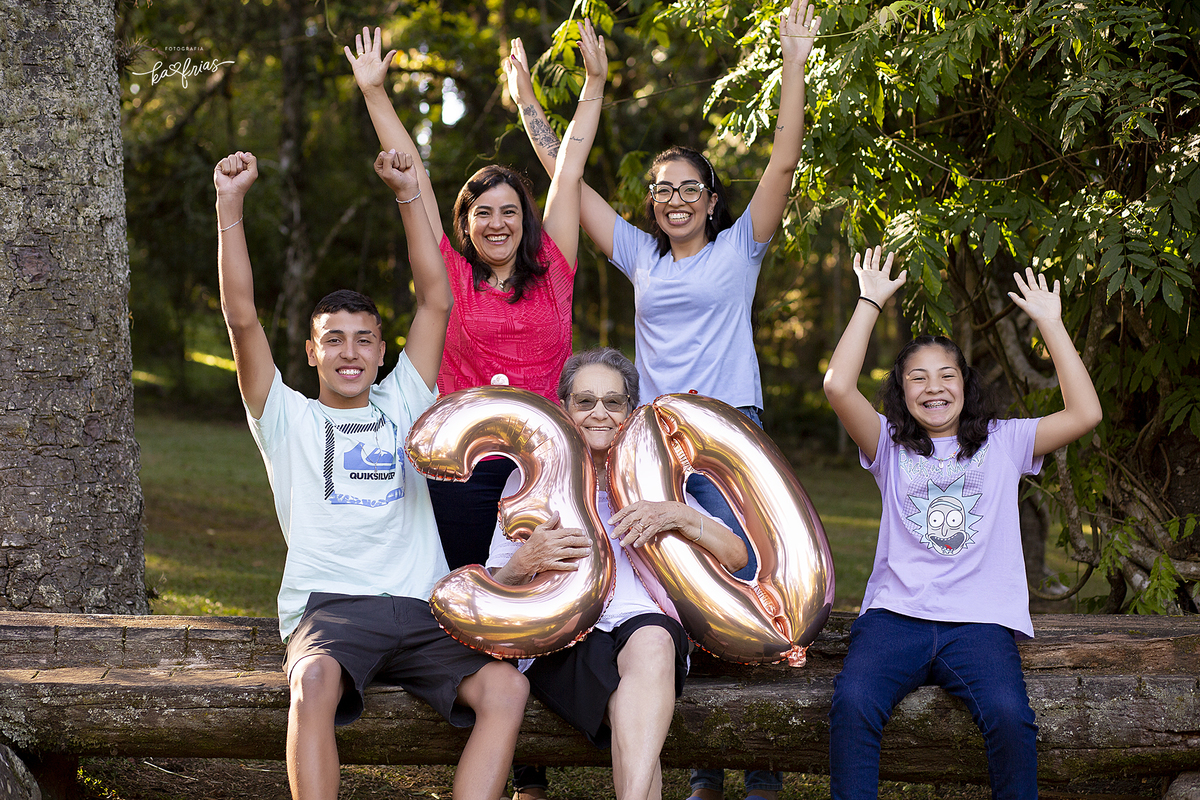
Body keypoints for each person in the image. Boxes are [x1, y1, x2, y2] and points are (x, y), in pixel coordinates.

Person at [508, 2, 820, 797]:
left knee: (749, 583)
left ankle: (762, 764)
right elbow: (565, 180)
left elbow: (783, 162)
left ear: (713, 200)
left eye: (688, 188)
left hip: (732, 438)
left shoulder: (739, 251)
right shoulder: (644, 257)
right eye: (660, 189)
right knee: (679, 591)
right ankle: (705, 765)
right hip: (655, 440)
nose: (673, 198)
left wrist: (793, 62)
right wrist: (531, 107)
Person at [214, 147, 529, 800]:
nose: (350, 352)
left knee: (507, 685)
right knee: (313, 683)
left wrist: (410, 193)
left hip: (422, 609)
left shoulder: (405, 399)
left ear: (382, 351)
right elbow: (241, 316)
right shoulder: (284, 416)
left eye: (364, 339)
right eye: (334, 339)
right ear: (311, 352)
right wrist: (230, 206)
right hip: (332, 609)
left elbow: (436, 297)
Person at [821, 248, 1104, 799]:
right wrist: (869, 301)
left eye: (945, 375)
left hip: (978, 624)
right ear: (901, 393)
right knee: (853, 704)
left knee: (1009, 717)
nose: (933, 387)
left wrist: (1050, 323)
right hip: (895, 618)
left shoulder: (1005, 441)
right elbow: (836, 386)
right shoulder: (889, 445)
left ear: (965, 383)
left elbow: (1085, 414)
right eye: (917, 379)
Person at [345, 22, 606, 570]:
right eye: (482, 212)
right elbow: (411, 171)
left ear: (525, 219)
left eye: (509, 210)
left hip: (545, 463)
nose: (496, 223)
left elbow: (571, 169)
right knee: (468, 581)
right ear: (465, 221)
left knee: (544, 583)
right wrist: (374, 92)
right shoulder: (451, 277)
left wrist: (595, 86)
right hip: (462, 462)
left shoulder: (555, 271)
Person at [487, 347, 749, 800]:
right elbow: (496, 583)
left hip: (643, 621)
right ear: (564, 409)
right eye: (585, 401)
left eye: (614, 401)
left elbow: (737, 555)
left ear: (631, 411)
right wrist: (525, 560)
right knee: (638, 708)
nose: (599, 414)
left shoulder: (656, 477)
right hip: (564, 631)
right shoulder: (533, 479)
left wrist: (679, 516)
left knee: (656, 643)